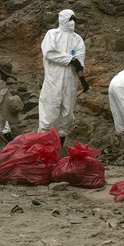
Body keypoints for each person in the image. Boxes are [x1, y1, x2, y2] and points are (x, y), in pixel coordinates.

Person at [38, 9, 87, 145]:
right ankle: (41, 149)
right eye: (71, 19)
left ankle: (58, 150)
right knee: (49, 113)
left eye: (74, 19)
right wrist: (70, 59)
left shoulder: (77, 39)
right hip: (53, 81)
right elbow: (49, 53)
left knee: (66, 116)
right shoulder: (52, 34)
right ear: (63, 19)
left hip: (70, 83)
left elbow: (79, 61)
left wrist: (82, 80)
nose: (73, 22)